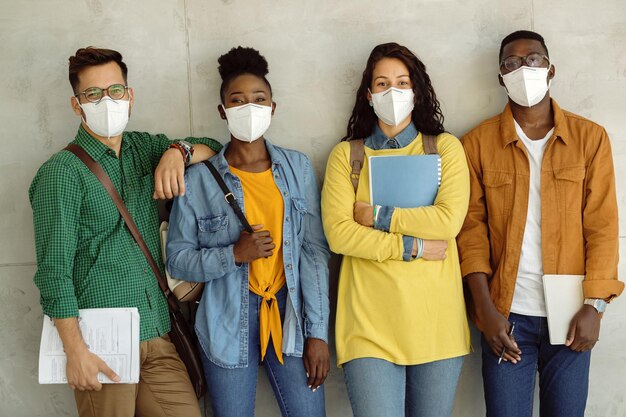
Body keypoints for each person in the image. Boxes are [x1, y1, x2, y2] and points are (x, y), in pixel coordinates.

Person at [29, 47, 222, 417]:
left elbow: (213, 150)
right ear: (76, 105)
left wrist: (177, 152)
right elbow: (53, 271)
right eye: (93, 94)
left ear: (129, 96)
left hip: (157, 332)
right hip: (98, 341)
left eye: (115, 91)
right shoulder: (61, 173)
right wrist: (75, 352)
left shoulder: (142, 148)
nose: (107, 101)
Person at [457, 30, 624, 417]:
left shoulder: (590, 139)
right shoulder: (476, 144)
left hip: (572, 316)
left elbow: (601, 227)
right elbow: (471, 232)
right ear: (501, 77)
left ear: (550, 70)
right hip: (505, 316)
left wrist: (595, 306)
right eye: (511, 63)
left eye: (533, 59)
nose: (523, 69)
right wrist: (484, 312)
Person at [166, 46, 330, 417]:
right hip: (225, 320)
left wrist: (317, 332)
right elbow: (178, 259)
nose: (249, 108)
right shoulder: (196, 181)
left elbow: (313, 252)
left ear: (273, 107)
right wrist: (234, 254)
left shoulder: (297, 167)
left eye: (259, 99)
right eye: (237, 101)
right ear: (222, 112)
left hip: (290, 315)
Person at [321, 42, 470, 417]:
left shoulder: (445, 149)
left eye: (402, 83)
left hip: (437, 325)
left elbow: (448, 221)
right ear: (369, 95)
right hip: (367, 327)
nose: (393, 92)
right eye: (383, 84)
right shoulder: (347, 156)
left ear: (416, 91)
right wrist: (414, 247)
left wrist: (379, 217)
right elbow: (340, 234)